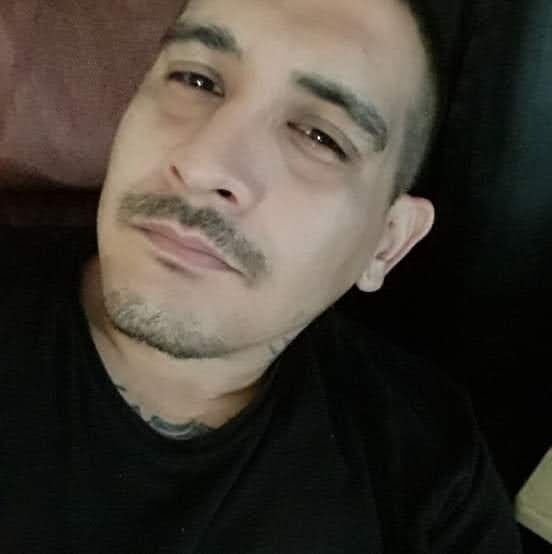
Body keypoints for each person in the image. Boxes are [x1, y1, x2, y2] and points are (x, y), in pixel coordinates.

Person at [0, 0, 522, 552]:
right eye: (195, 80)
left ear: (386, 244)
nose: (203, 165)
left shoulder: (428, 466)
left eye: (320, 137)